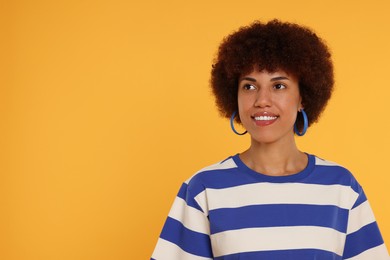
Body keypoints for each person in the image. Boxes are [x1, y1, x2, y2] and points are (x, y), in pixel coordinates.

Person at [151, 20, 389, 260]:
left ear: (302, 98)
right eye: (249, 86)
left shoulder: (341, 187)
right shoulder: (204, 188)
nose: (262, 100)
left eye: (278, 85)